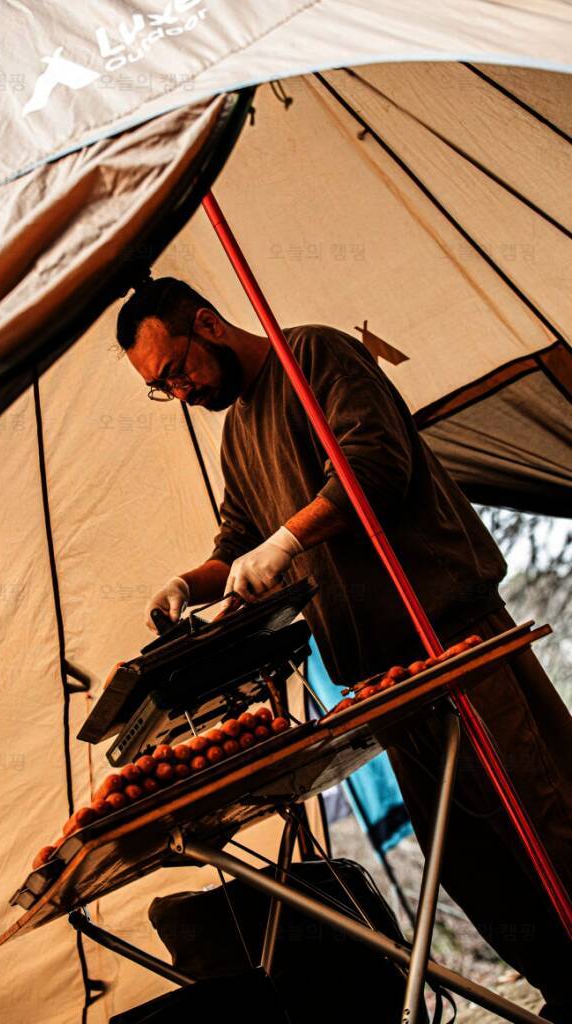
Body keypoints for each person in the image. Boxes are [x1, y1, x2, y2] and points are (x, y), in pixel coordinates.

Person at [116, 276, 572, 1020]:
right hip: (383, 681)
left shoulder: (314, 357)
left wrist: (288, 541)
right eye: (159, 388)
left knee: (541, 814)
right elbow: (236, 540)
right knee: (472, 859)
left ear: (208, 324)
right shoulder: (237, 432)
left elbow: (373, 465)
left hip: (451, 636)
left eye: (176, 370)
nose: (178, 392)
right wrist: (188, 585)